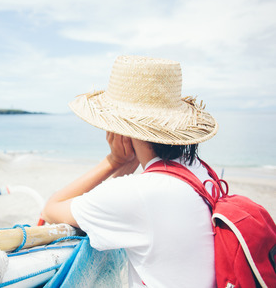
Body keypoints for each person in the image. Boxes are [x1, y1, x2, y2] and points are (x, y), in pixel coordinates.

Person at [42, 55, 219, 287]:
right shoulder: (203, 174)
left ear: (120, 129)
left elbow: (51, 209)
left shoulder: (139, 193)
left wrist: (113, 162)